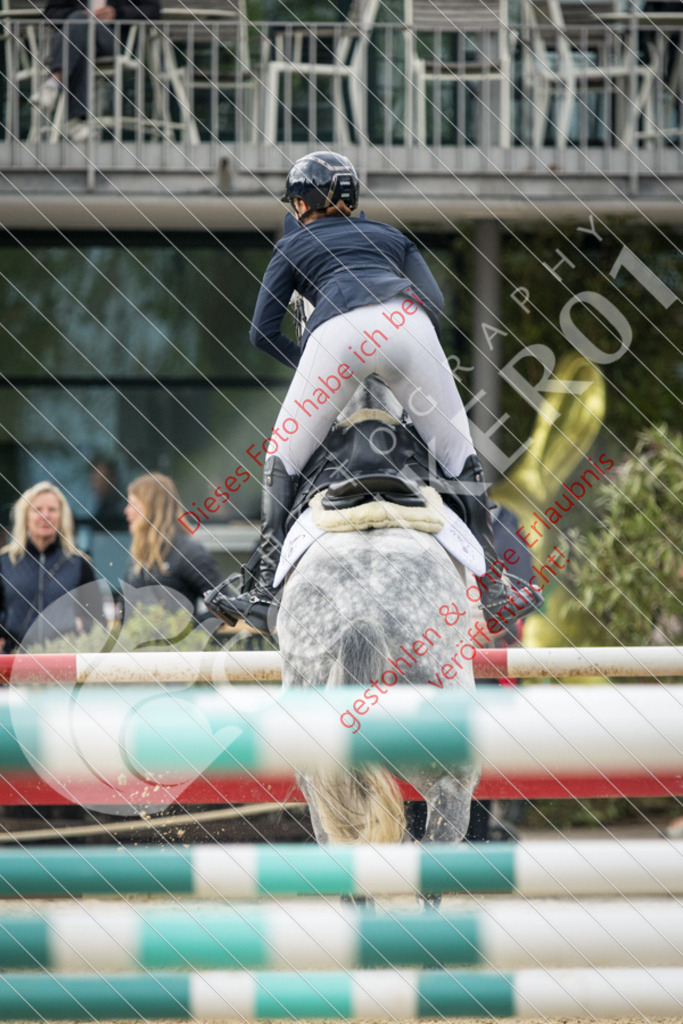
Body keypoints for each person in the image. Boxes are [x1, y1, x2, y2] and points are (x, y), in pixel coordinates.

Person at [205, 150, 533, 634]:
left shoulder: (293, 244)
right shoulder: (392, 237)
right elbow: (434, 302)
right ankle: (494, 586)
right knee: (457, 452)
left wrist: (315, 366)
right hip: (408, 324)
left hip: (336, 334)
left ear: (303, 203)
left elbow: (262, 332)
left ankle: (262, 593)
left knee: (282, 457)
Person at [31, 0, 160, 143]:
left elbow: (152, 10)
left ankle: (55, 80)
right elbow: (51, 14)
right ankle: (77, 121)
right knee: (82, 31)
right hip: (78, 44)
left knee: (80, 24)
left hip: (113, 39)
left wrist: (117, 14)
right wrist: (78, 16)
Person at [0, 481, 103, 652]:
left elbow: (97, 619)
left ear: (62, 517)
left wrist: (79, 626)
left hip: (64, 659)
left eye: (52, 510)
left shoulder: (79, 563)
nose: (45, 516)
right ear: (25, 517)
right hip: (15, 659)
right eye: (37, 509)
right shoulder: (5, 562)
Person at [123, 473, 222, 620]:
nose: (126, 511)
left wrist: (188, 629)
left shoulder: (188, 552)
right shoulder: (139, 554)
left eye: (133, 504)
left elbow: (224, 607)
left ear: (152, 508)